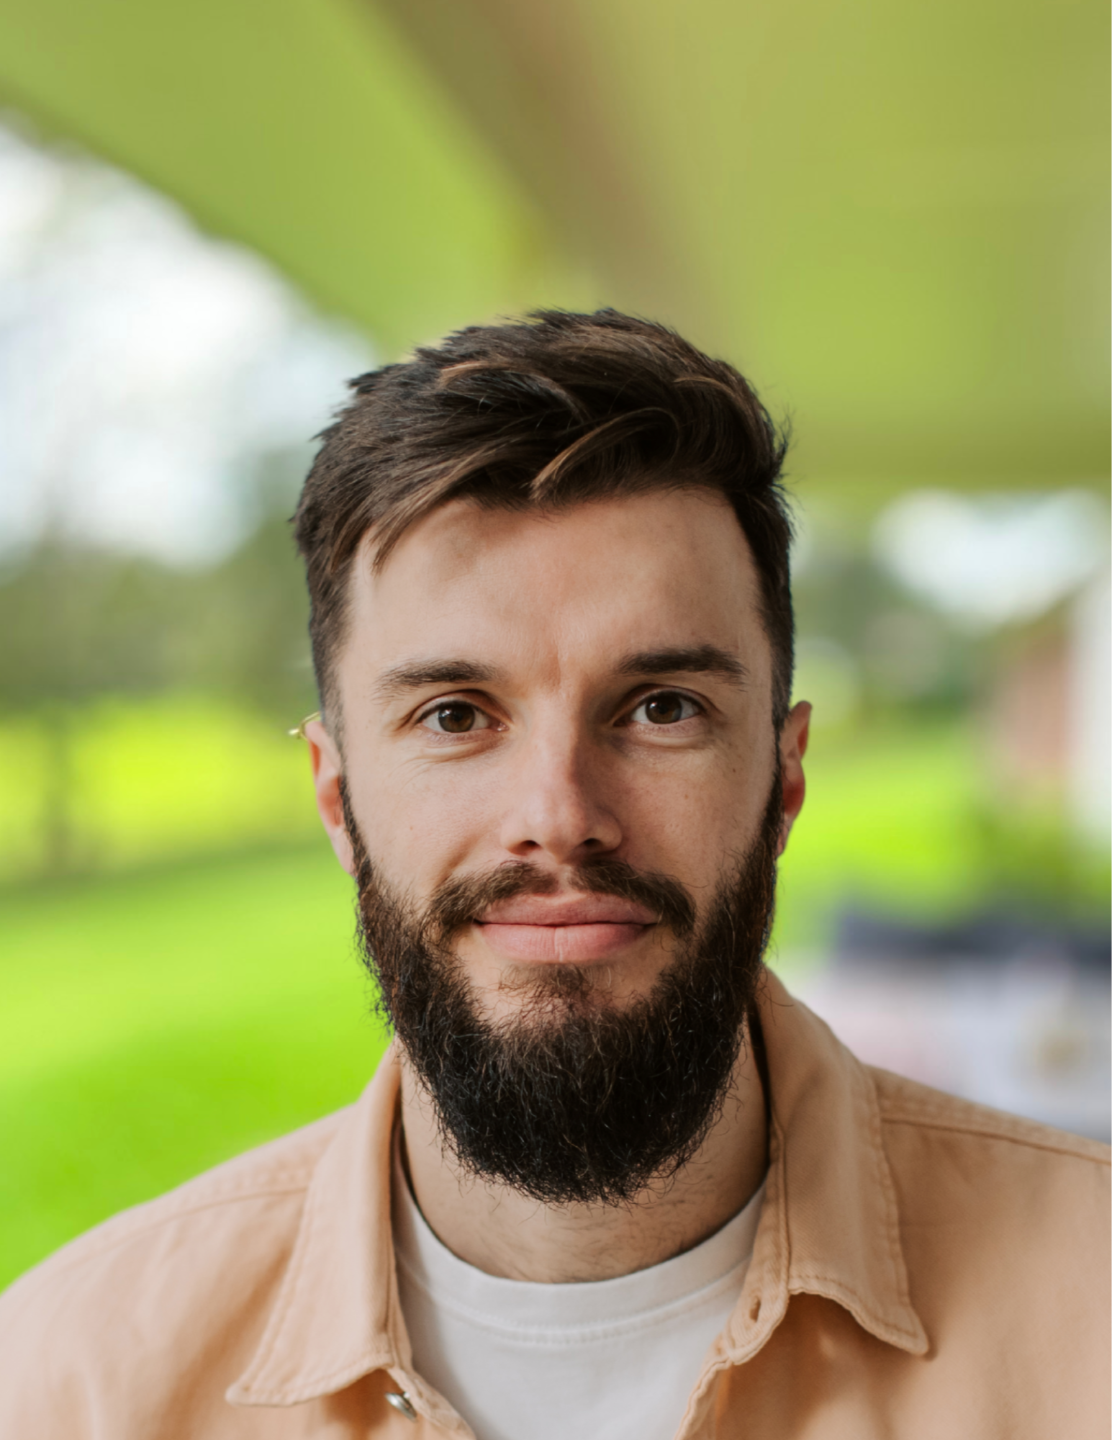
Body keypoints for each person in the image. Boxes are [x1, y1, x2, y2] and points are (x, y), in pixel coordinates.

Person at [2, 309, 1111, 1439]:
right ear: (337, 798)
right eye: (454, 715)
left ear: (783, 779)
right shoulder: (67, 1387)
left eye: (662, 707)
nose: (560, 818)